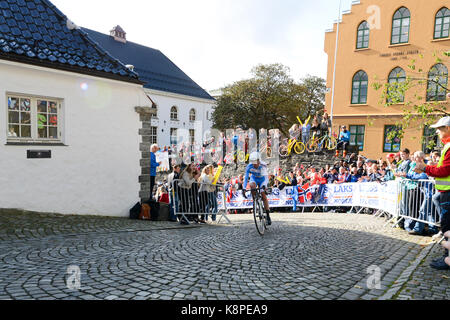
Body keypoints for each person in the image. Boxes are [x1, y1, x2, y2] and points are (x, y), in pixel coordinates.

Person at [414, 116, 450, 270]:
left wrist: (425, 168)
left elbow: (444, 171)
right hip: (446, 192)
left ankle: (447, 259)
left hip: (448, 192)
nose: (436, 131)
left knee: (448, 226)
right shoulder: (447, 146)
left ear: (447, 129)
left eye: (439, 128)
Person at [243, 152, 272, 225]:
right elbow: (246, 178)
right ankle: (256, 202)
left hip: (262, 180)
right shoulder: (249, 166)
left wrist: (265, 186)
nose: (254, 164)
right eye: (252, 162)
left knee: (263, 195)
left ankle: (268, 216)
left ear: (259, 160)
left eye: (255, 162)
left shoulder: (263, 165)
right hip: (254, 179)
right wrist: (243, 188)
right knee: (252, 186)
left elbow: (266, 178)